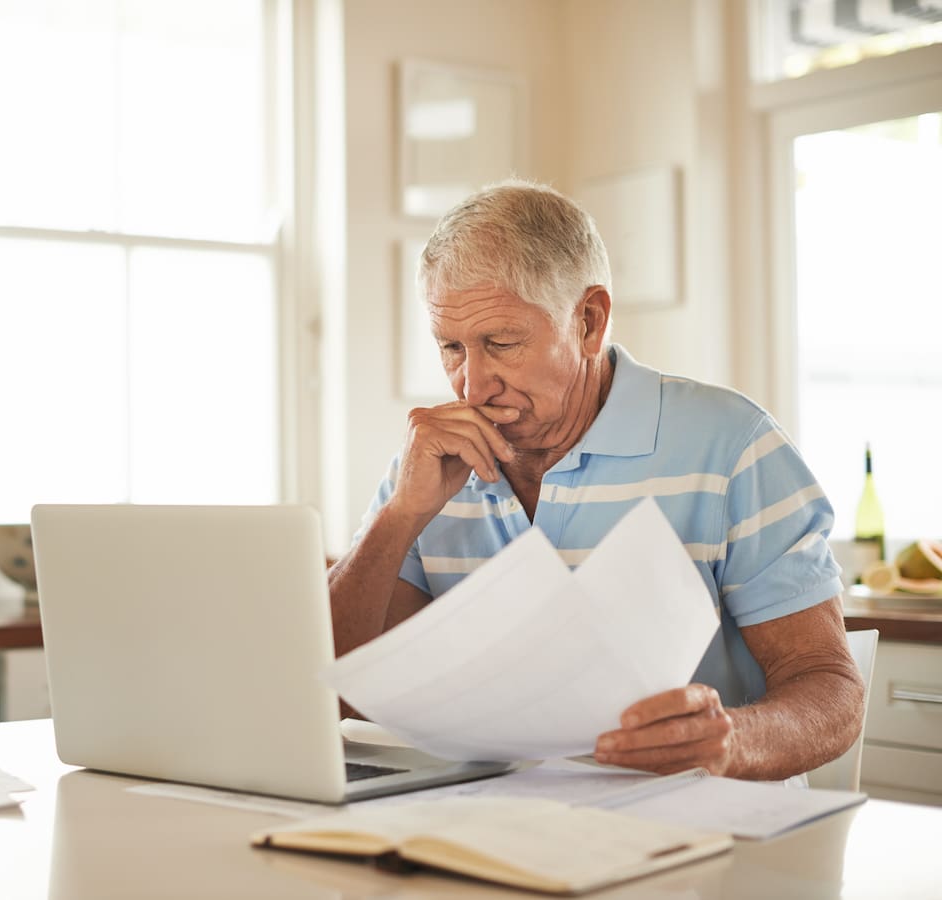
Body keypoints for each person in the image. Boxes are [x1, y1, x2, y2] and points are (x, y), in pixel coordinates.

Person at [328, 179, 864, 781]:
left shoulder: (733, 446)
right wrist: (398, 517)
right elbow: (335, 696)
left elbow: (832, 690)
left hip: (697, 834)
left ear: (588, 321)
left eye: (501, 343)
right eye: (451, 346)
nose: (470, 386)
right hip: (491, 834)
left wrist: (728, 742)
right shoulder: (427, 466)